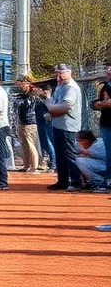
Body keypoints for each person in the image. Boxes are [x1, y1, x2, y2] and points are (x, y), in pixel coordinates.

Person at [46, 63, 82, 191]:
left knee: (70, 155)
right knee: (60, 155)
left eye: (61, 73)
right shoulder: (60, 87)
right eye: (57, 73)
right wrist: (51, 109)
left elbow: (65, 107)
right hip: (58, 125)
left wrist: (50, 108)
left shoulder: (71, 87)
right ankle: (62, 181)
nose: (58, 76)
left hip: (68, 126)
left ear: (69, 72)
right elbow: (56, 104)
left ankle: (76, 182)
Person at [14, 75, 42, 172]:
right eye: (21, 84)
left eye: (23, 84)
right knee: (24, 146)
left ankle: (34, 167)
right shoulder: (23, 95)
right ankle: (26, 166)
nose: (22, 86)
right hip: (22, 121)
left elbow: (32, 105)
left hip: (30, 123)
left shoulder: (33, 95)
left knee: (31, 145)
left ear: (28, 84)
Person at [92, 61, 111, 187]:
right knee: (109, 152)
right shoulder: (103, 86)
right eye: (107, 70)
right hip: (106, 123)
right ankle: (109, 178)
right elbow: (95, 103)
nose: (108, 72)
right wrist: (98, 104)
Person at [36, 84, 56, 171]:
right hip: (40, 122)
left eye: (42, 90)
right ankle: (48, 162)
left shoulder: (50, 100)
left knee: (49, 143)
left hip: (47, 124)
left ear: (47, 91)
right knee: (44, 143)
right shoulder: (40, 100)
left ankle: (53, 163)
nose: (40, 91)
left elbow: (51, 110)